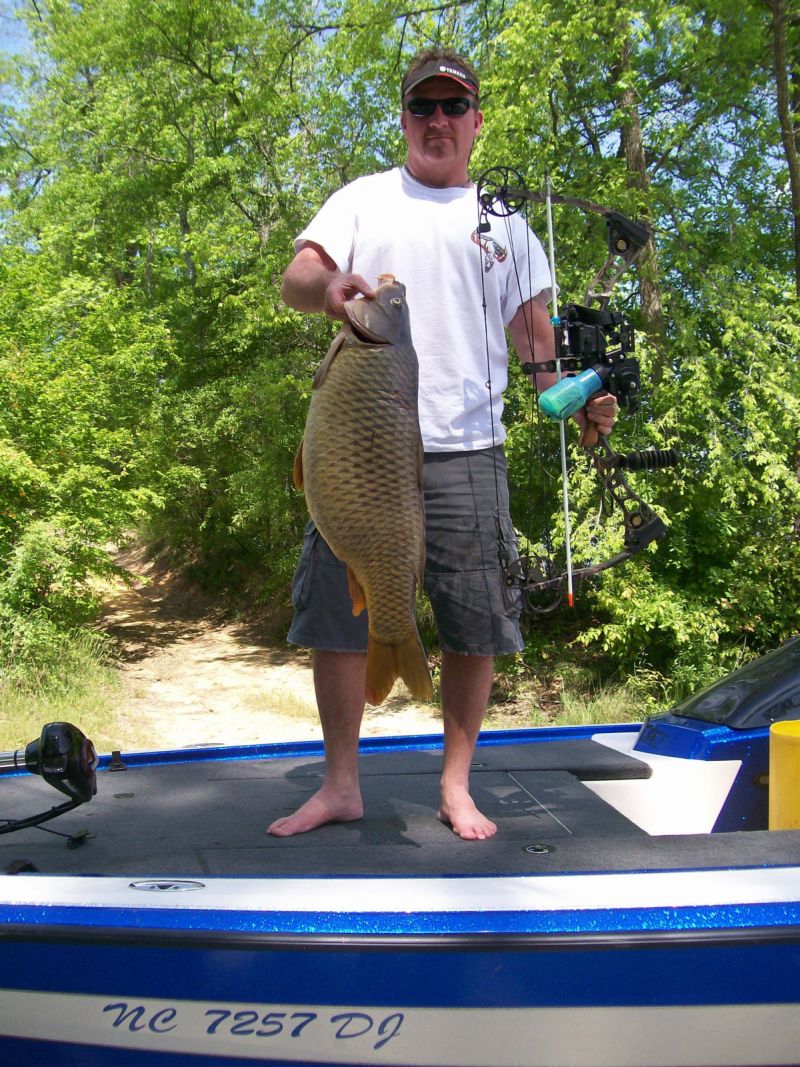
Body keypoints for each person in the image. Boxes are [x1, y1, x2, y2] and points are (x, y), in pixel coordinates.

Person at [271, 48, 616, 841]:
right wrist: (326, 288)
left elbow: (538, 352)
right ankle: (340, 783)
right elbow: (297, 277)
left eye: (452, 107)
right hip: (359, 458)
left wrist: (581, 400)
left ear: (475, 123)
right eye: (421, 106)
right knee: (335, 613)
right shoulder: (362, 200)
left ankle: (456, 786)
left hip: (467, 451)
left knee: (475, 620)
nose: (436, 120)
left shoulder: (508, 227)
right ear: (403, 119)